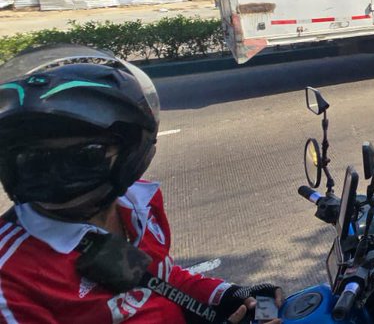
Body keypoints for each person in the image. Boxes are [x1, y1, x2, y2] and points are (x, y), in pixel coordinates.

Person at [0, 45, 283, 323]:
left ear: (130, 151)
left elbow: (160, 280)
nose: (54, 174)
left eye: (85, 156)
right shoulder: (10, 279)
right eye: (32, 160)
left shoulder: (138, 206)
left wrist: (225, 295)